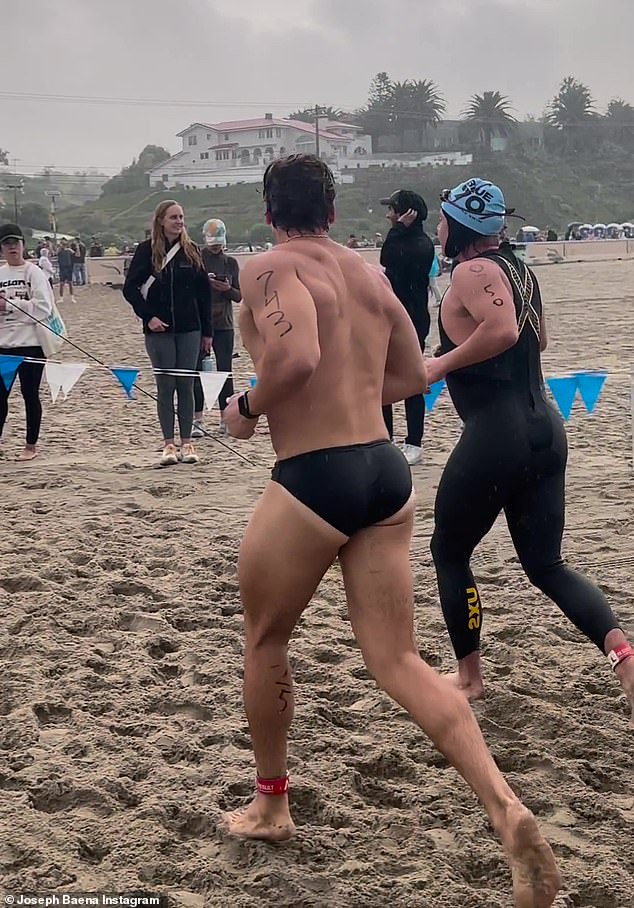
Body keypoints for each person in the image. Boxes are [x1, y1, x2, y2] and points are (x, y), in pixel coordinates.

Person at [221, 155, 561, 907]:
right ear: (335, 214)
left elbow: (297, 356)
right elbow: (409, 378)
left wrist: (245, 409)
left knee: (266, 640)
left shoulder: (269, 266)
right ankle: (506, 811)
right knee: (400, 659)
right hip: (385, 471)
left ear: (272, 211)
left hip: (314, 475)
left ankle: (272, 804)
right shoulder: (369, 276)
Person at [425, 178, 634, 721]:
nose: (438, 228)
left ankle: (469, 677)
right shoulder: (520, 267)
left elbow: (504, 333)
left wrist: (439, 364)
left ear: (462, 226)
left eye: (443, 219)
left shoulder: (471, 270)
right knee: (547, 565)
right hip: (546, 428)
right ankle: (625, 657)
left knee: (449, 552)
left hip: (498, 434)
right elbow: (536, 339)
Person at [123, 200, 212, 466]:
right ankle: (168, 445)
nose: (179, 221)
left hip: (189, 329)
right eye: (173, 217)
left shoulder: (192, 251)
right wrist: (148, 317)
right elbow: (130, 289)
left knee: (185, 384)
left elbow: (203, 295)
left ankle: (188, 442)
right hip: (158, 329)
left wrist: (207, 333)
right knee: (165, 386)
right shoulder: (146, 251)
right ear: (161, 220)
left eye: (182, 216)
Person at [379, 189, 435, 465]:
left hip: (413, 319)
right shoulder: (398, 238)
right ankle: (385, 438)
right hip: (387, 318)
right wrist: (398, 230)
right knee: (383, 378)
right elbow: (387, 259)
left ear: (406, 214)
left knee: (412, 382)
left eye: (392, 209)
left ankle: (414, 442)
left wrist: (399, 229)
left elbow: (390, 258)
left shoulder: (423, 243)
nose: (388, 215)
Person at [0, 223, 53, 462]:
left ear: (23, 245)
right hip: (3, 345)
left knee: (30, 395)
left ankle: (30, 446)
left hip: (31, 343)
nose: (12, 247)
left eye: (16, 243)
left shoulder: (34, 272)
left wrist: (9, 304)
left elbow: (43, 308)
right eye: (7, 243)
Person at [193, 218, 241, 436]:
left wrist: (226, 288)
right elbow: (190, 290)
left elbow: (239, 296)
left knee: (225, 371)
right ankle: (198, 419)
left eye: (219, 242)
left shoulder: (230, 263)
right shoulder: (197, 259)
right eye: (212, 242)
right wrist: (206, 283)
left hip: (224, 324)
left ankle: (225, 418)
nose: (216, 246)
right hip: (201, 322)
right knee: (197, 371)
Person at [57, 239, 75, 304]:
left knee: (70, 283)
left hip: (68, 268)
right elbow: (57, 252)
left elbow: (73, 252)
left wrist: (67, 247)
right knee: (61, 284)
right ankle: (61, 298)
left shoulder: (68, 250)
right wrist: (61, 247)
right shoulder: (59, 251)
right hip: (62, 268)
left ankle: (72, 297)